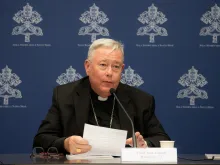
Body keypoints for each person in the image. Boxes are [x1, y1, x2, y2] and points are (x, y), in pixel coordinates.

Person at [33, 38, 170, 155]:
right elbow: (41, 139)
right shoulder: (64, 96)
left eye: (116, 67)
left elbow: (162, 139)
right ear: (88, 66)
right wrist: (65, 143)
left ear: (122, 69)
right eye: (103, 65)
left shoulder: (141, 100)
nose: (109, 73)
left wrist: (144, 144)